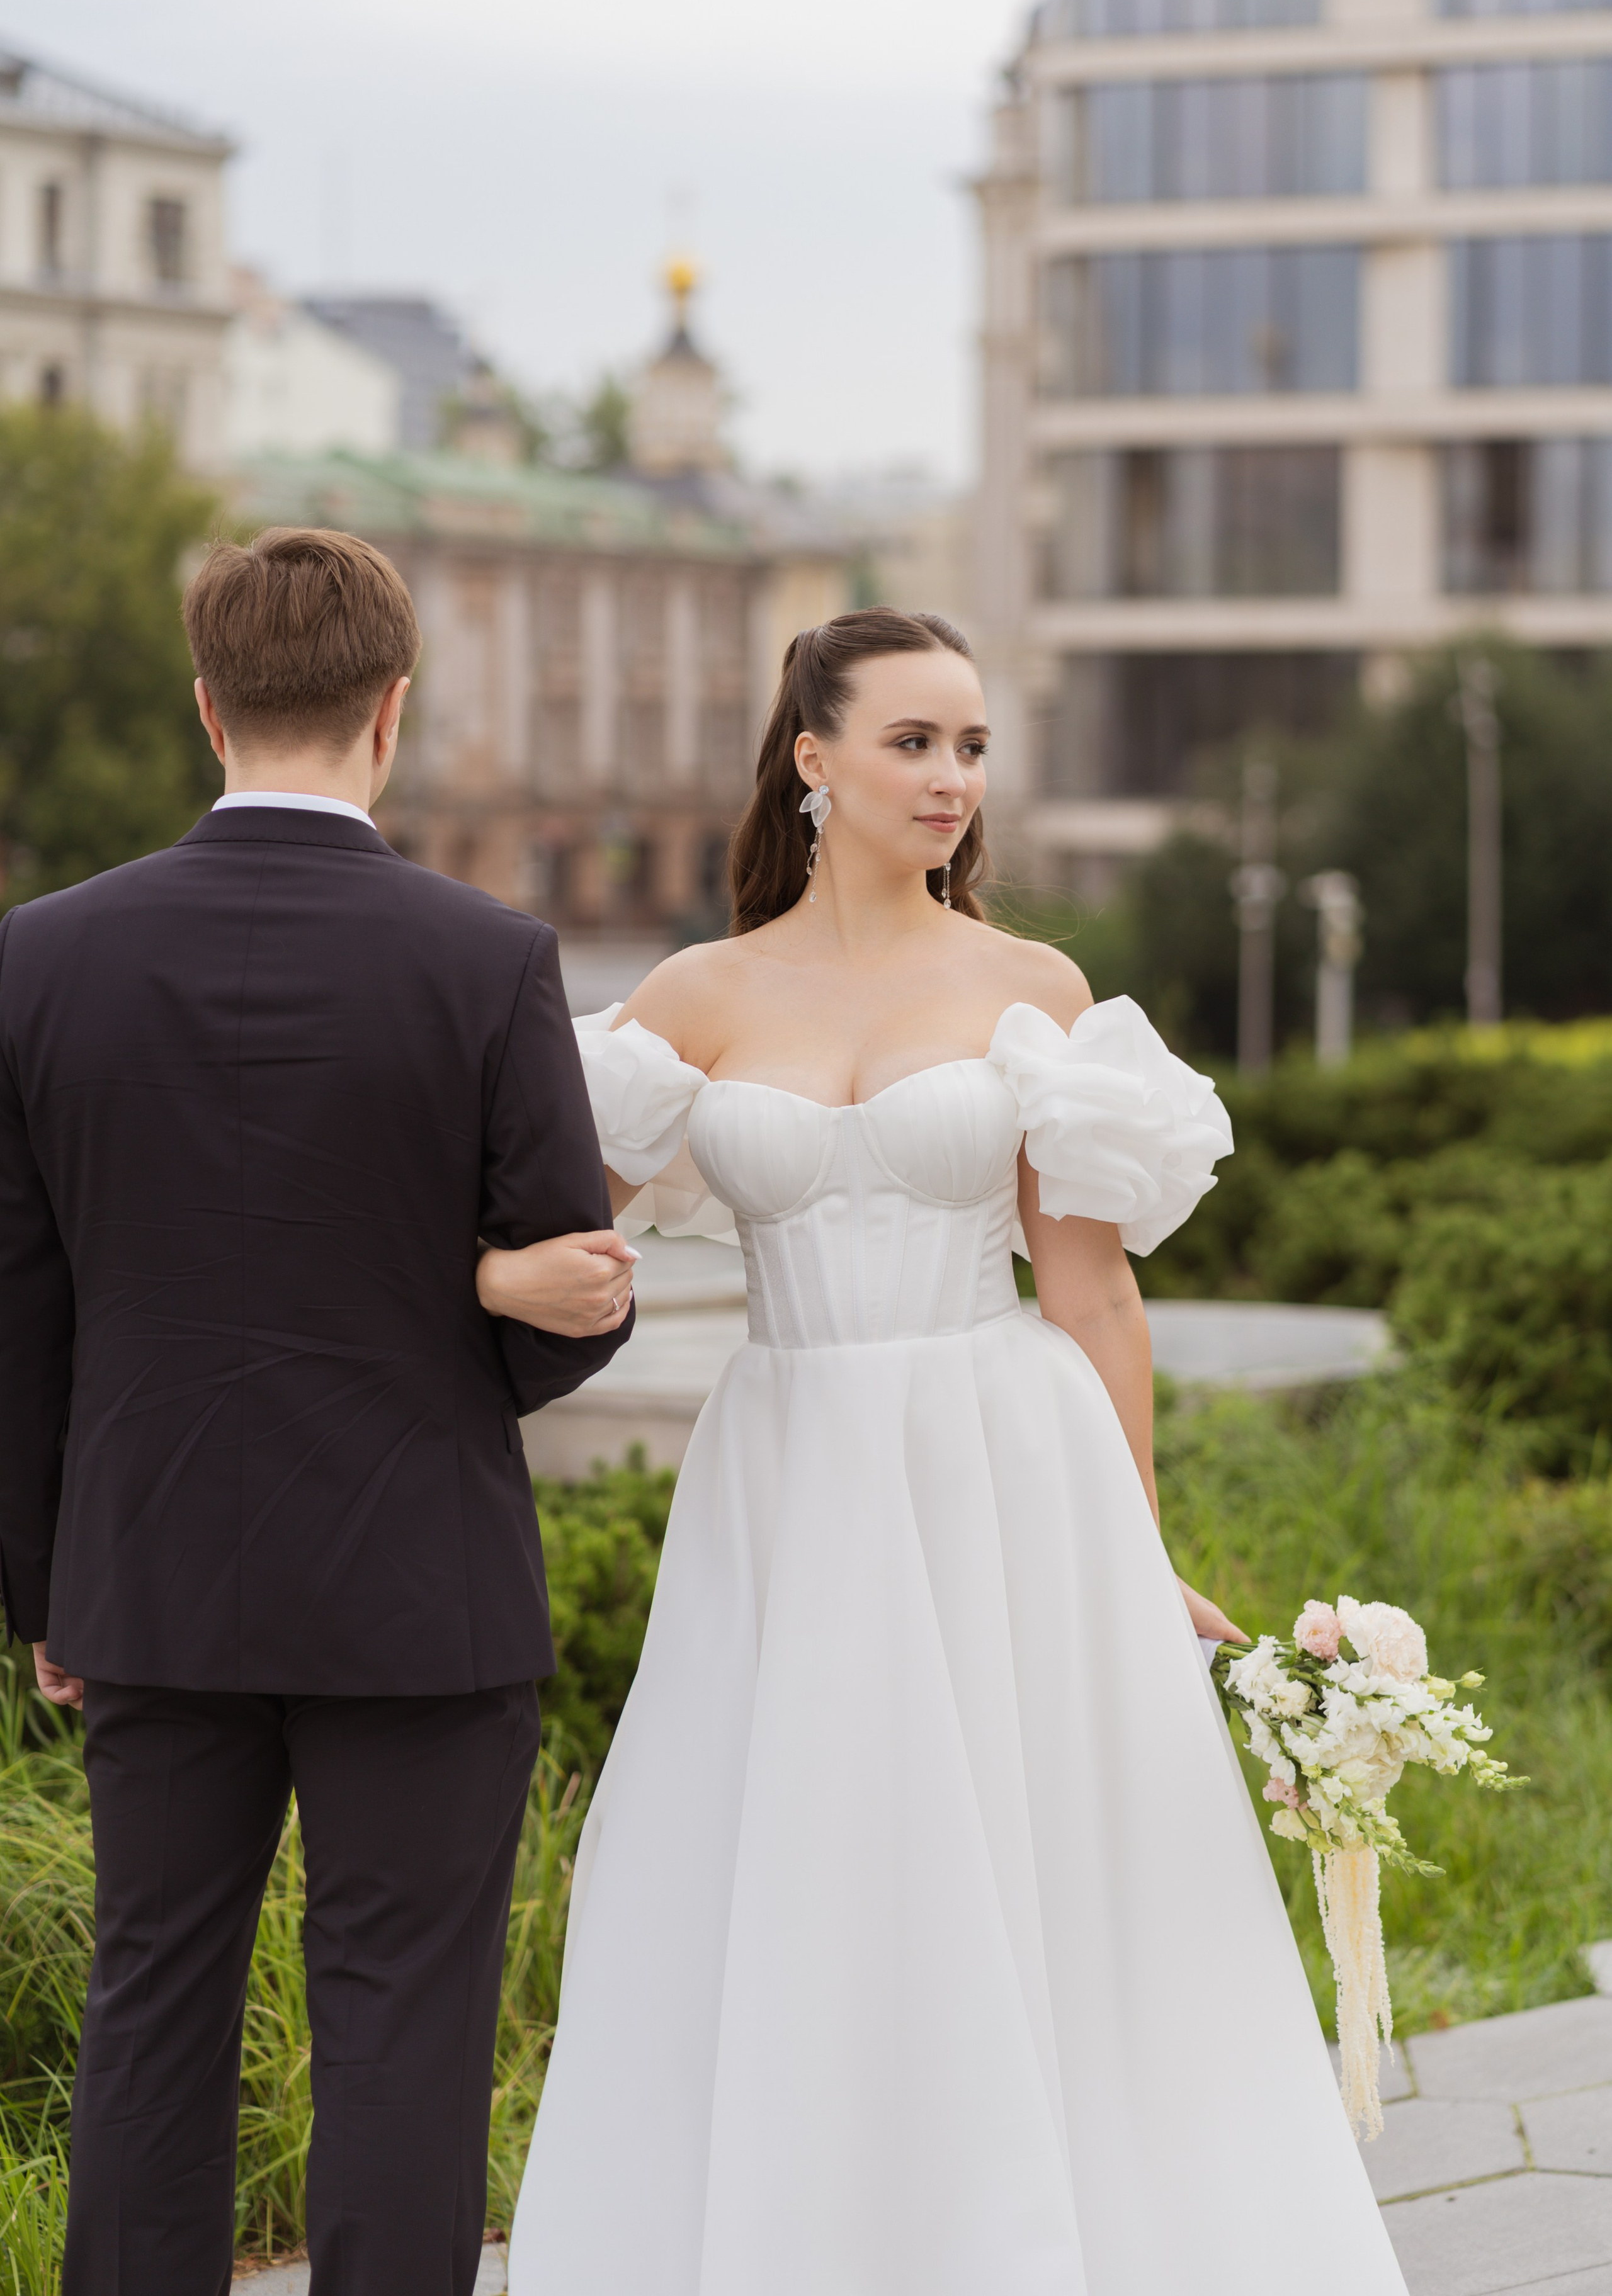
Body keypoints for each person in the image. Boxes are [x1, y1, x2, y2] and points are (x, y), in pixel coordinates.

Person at [488, 608, 1409, 2295]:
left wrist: (1138, 1553)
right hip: (789, 1475)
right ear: (813, 758)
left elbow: (1095, 1295)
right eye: (914, 742)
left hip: (1008, 1472)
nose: (953, 779)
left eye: (974, 746)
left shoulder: (1029, 987)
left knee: (1035, 1863)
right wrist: (490, 1271)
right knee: (812, 1873)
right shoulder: (695, 998)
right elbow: (544, 1233)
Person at [0, 528, 639, 2296]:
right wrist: (470, 1309)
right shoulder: (490, 955)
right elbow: (573, 1292)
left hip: (153, 1579)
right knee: (402, 2034)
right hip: (418, 1586)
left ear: (208, 708)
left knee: (151, 2011)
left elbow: (19, 1310)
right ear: (394, 710)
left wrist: (47, 1582)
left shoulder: (38, 958)